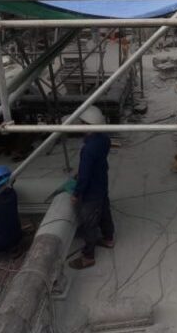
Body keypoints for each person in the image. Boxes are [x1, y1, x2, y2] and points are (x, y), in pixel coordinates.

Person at [68, 106, 115, 270]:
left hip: (91, 189)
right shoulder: (104, 139)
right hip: (102, 181)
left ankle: (88, 256)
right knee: (104, 210)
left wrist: (76, 193)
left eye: (82, 123)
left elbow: (85, 176)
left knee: (89, 221)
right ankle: (108, 238)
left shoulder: (88, 149)